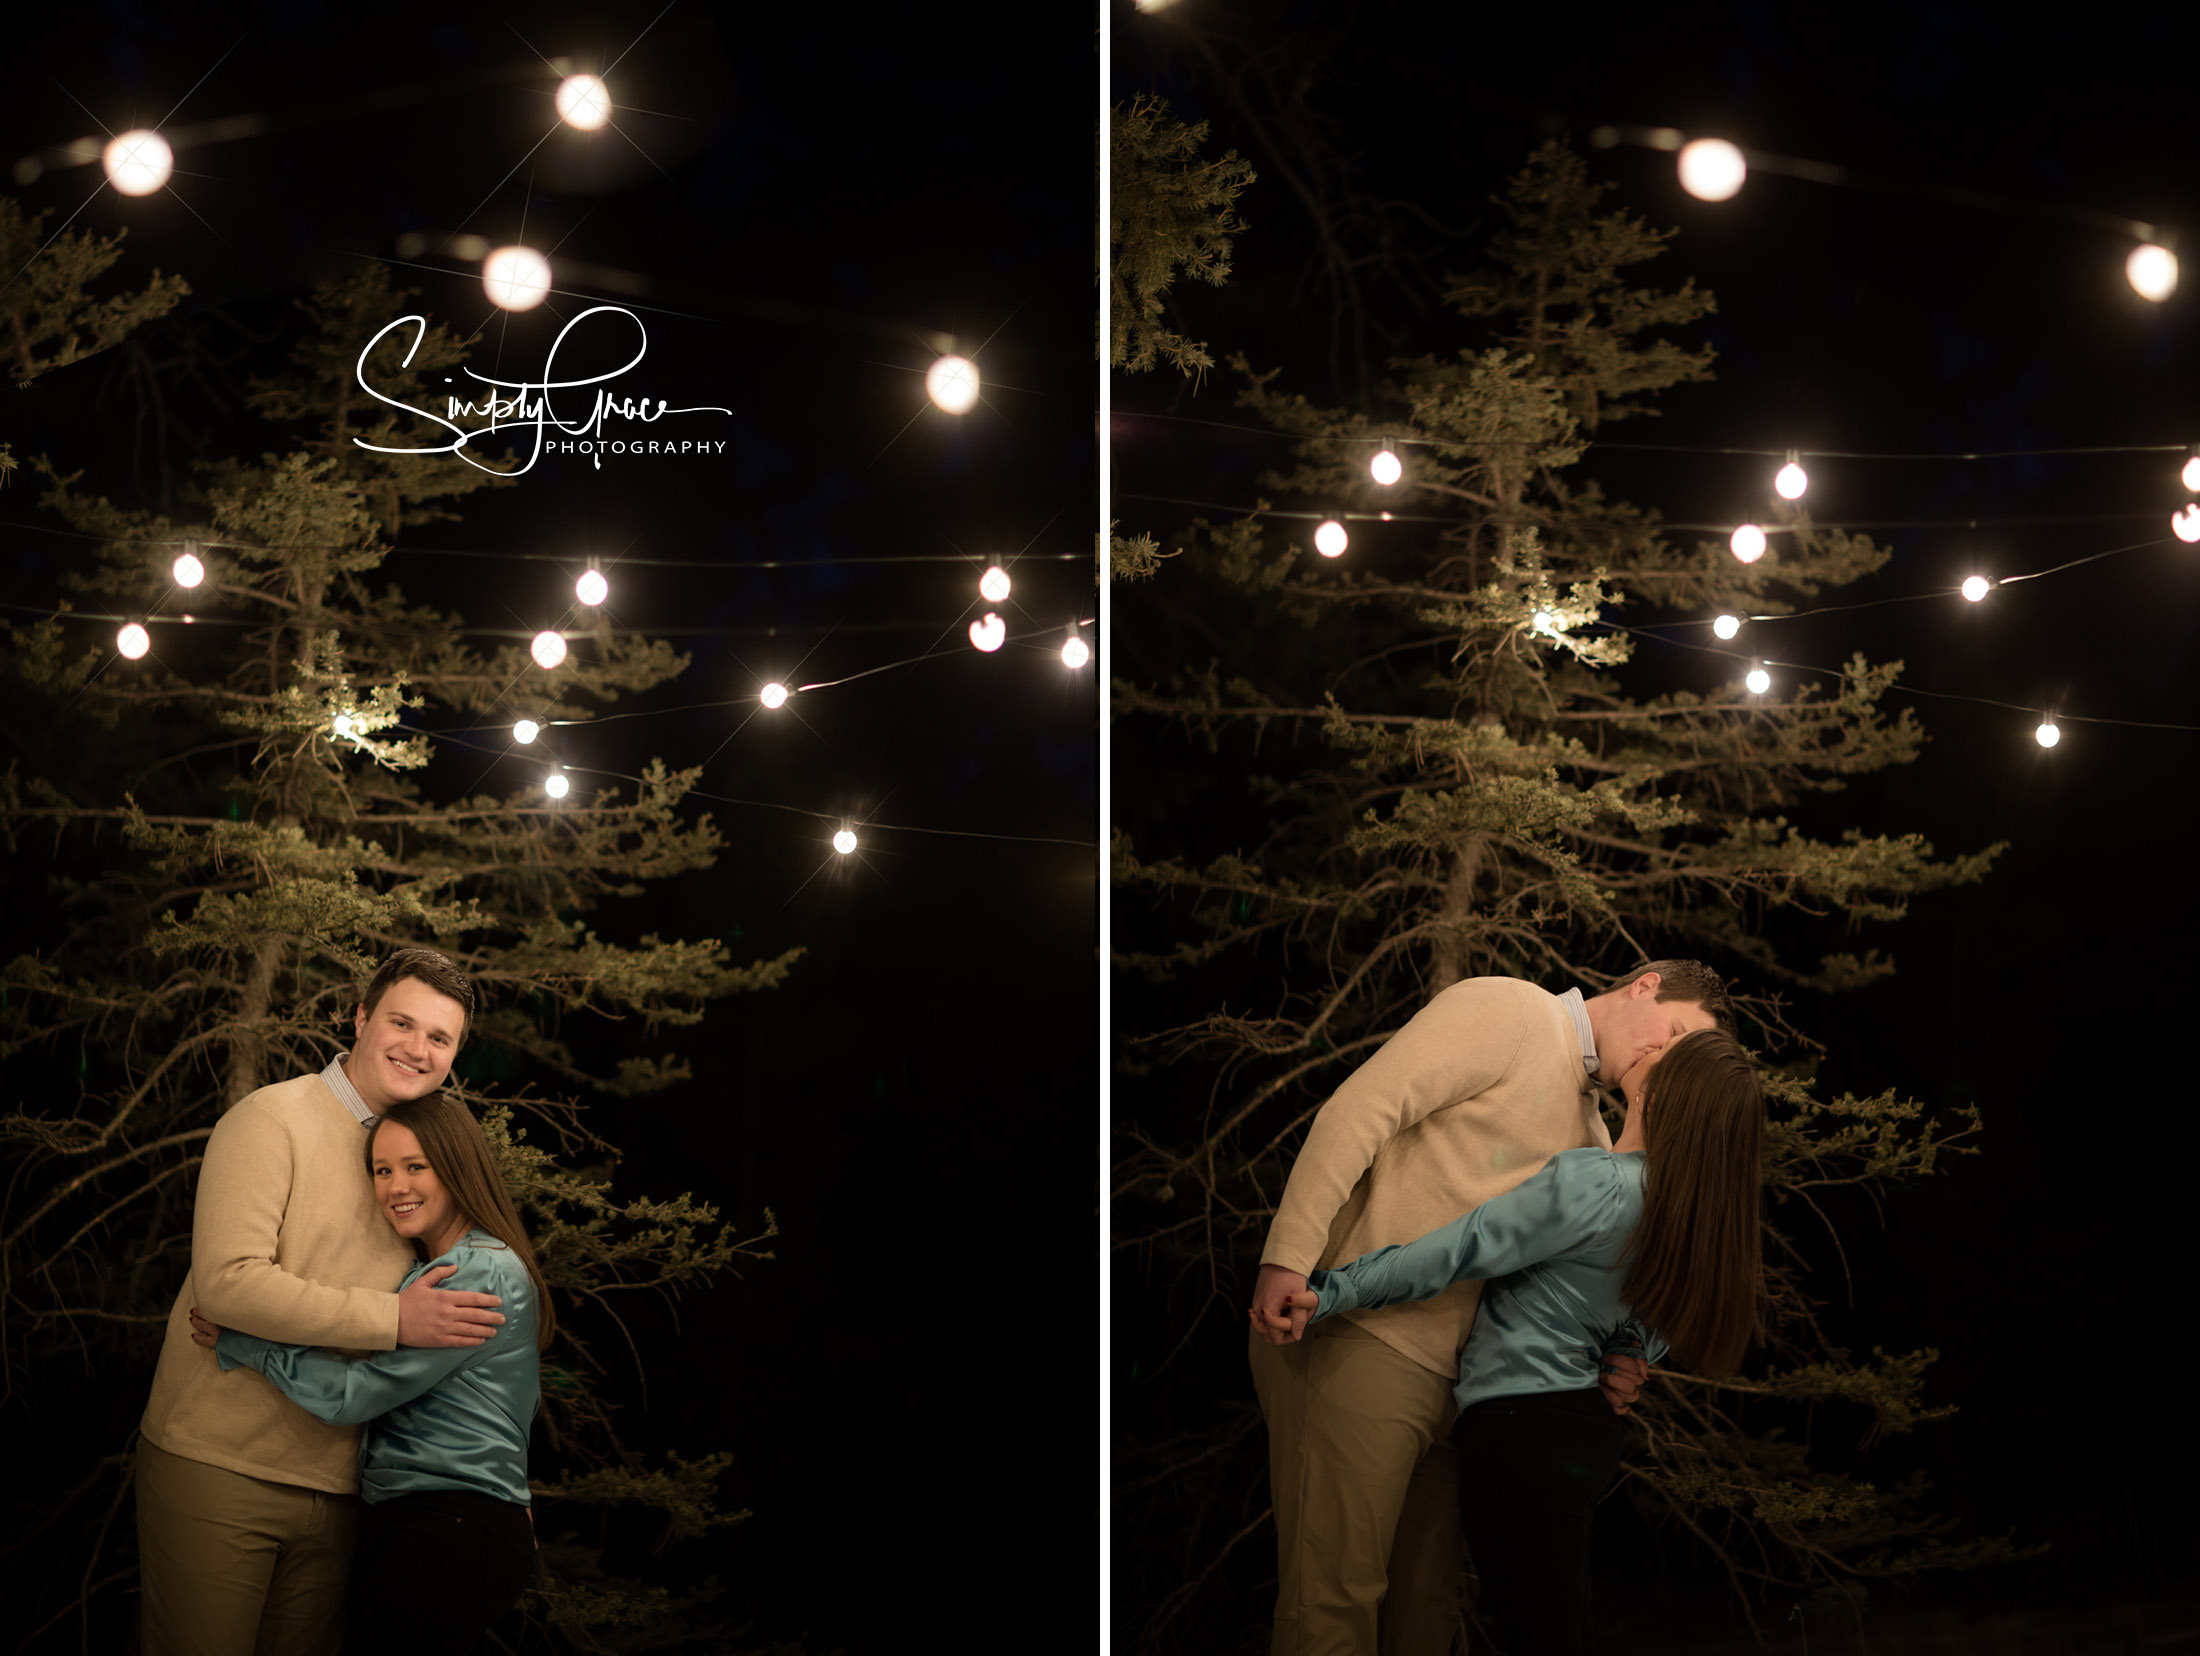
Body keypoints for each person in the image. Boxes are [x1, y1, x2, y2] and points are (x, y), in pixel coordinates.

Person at [1245, 962, 1733, 1656]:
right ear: (1646, 984)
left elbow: (1605, 1278)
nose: (1665, 1059)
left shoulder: (1600, 1143)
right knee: (1332, 1604)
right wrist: (1288, 1255)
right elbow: (1364, 1108)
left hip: (1470, 1402)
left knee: (1424, 1619)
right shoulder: (1511, 1011)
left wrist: (1629, 1353)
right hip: (1362, 1341)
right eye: (1676, 1032)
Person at [136, 947, 506, 1656]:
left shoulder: (431, 1158)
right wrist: (393, 1321)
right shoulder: (273, 1119)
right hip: (219, 1466)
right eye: (402, 1023)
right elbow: (229, 1283)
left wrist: (493, 1495)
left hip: (341, 1489)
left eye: (440, 1038)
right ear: (362, 1017)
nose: (417, 1049)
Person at [191, 1089, 552, 1652]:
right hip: (428, 1520)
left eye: (416, 1167)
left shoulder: (480, 1273)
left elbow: (357, 1395)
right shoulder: (436, 1266)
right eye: (382, 1170)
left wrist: (251, 1344)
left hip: (451, 1523)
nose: (395, 1187)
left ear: (457, 1165)